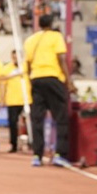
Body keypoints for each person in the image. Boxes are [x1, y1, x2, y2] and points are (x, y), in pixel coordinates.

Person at [22, 13, 74, 167]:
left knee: (37, 119)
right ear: (52, 24)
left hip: (36, 79)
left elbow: (29, 63)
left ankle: (37, 155)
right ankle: (59, 154)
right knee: (61, 117)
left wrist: (32, 80)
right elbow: (61, 59)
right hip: (53, 78)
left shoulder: (31, 40)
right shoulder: (56, 36)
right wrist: (69, 81)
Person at [0, 50, 31, 153]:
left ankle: (32, 143)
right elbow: (2, 80)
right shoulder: (7, 68)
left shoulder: (26, 66)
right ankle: (13, 144)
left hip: (26, 99)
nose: (15, 59)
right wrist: (2, 98)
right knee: (12, 123)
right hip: (12, 100)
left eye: (17, 57)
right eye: (13, 57)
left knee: (30, 123)